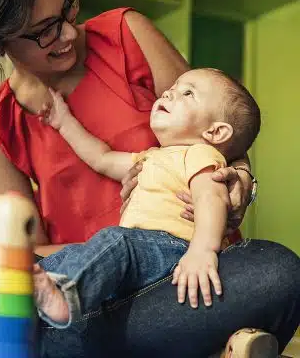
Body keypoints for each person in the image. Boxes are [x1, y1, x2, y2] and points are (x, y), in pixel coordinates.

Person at [0, 0, 298, 357]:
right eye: (44, 31)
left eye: (66, 9)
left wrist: (242, 180)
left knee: (278, 273)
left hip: (178, 273)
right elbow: (25, 244)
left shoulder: (127, 33)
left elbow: (218, 125)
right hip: (77, 281)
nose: (69, 32)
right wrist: (99, 260)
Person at [30, 67, 261, 328]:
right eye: (173, 87)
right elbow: (101, 158)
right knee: (77, 252)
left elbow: (212, 198)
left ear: (215, 133)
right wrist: (64, 122)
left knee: (114, 241)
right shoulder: (151, 157)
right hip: (141, 252)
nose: (170, 92)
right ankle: (12, 284)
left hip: (176, 250)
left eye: (187, 93)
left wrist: (202, 250)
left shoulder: (201, 155)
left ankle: (63, 299)